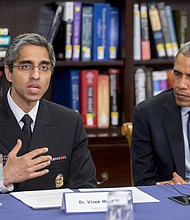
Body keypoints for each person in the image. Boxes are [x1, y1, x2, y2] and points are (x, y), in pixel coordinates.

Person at [0, 33, 97, 192]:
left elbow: (85, 187)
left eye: (44, 67)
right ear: (9, 72)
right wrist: (4, 177)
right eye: (26, 66)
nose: (36, 75)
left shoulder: (69, 121)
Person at [131, 41, 190, 186]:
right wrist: (168, 187)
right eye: (177, 74)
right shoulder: (147, 114)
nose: (181, 85)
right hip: (173, 201)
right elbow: (143, 181)